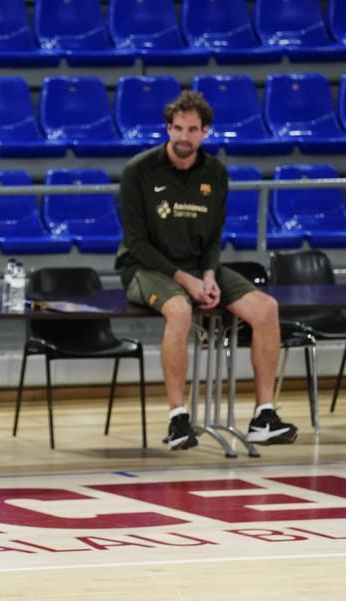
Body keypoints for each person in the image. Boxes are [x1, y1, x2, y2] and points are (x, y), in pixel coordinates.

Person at [116, 90, 298, 450]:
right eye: (178, 128)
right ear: (167, 129)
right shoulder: (138, 171)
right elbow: (137, 244)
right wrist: (185, 280)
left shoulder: (215, 172)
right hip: (144, 267)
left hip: (198, 266)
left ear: (205, 132)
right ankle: (177, 420)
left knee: (266, 309)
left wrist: (210, 275)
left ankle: (264, 415)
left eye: (192, 129)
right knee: (180, 309)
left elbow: (214, 237)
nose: (184, 137)